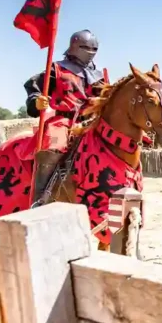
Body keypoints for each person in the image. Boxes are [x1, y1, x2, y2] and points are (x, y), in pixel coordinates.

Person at [23, 29, 106, 197]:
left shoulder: (99, 75)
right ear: (74, 46)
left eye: (94, 49)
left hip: (92, 121)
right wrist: (37, 100)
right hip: (64, 121)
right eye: (85, 47)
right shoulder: (57, 69)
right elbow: (35, 87)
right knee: (54, 146)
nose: (90, 53)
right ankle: (40, 197)